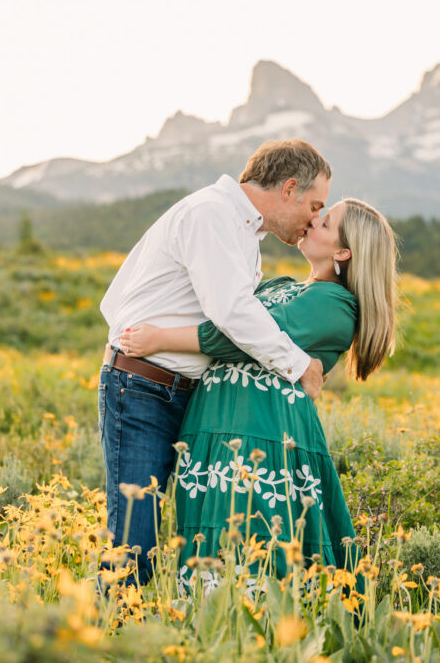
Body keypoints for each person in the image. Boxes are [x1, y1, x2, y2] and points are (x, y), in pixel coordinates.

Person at [119, 198, 398, 585]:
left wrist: (160, 339)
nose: (313, 221)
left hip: (258, 433)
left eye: (326, 222)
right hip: (216, 427)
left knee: (251, 550)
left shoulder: (336, 306)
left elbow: (238, 335)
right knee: (205, 547)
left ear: (343, 252)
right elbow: (227, 310)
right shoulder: (285, 287)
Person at [98, 139, 332, 586]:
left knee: (173, 541)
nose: (313, 219)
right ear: (289, 189)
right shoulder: (211, 214)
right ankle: (109, 628)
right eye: (314, 206)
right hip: (143, 391)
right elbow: (232, 312)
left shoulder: (240, 230)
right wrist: (298, 365)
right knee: (133, 545)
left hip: (181, 394)